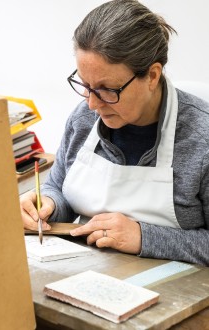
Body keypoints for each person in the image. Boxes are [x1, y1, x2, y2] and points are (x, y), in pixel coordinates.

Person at [20, 0, 209, 266]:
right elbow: (58, 188)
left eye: (108, 89)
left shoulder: (202, 140)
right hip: (85, 272)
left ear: (152, 76)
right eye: (85, 85)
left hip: (179, 295)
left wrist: (144, 237)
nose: (92, 104)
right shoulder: (84, 117)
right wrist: (47, 205)